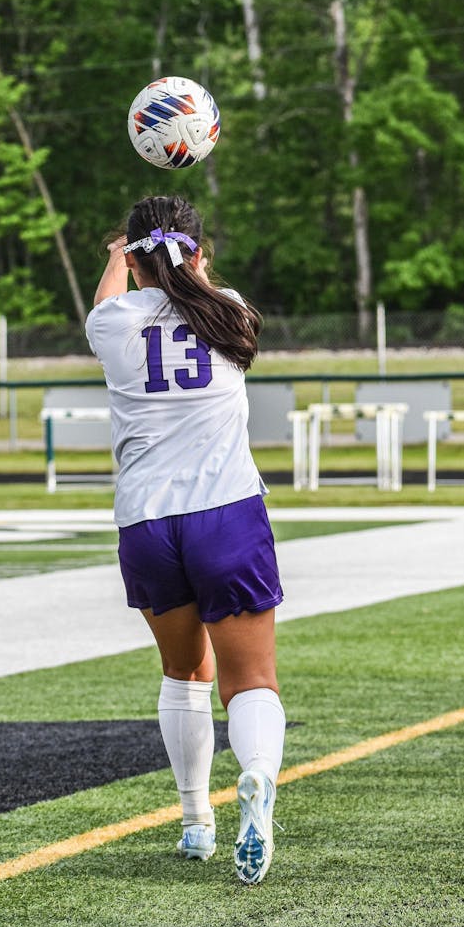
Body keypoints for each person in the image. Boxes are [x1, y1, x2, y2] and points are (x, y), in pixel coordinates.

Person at [85, 195, 286, 885]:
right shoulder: (229, 310)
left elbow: (110, 300)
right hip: (224, 514)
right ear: (199, 255)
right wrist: (180, 264)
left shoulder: (112, 322)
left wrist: (120, 258)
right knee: (250, 680)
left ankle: (197, 822)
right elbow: (189, 286)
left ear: (133, 262)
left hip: (146, 522)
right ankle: (256, 776)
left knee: (183, 672)